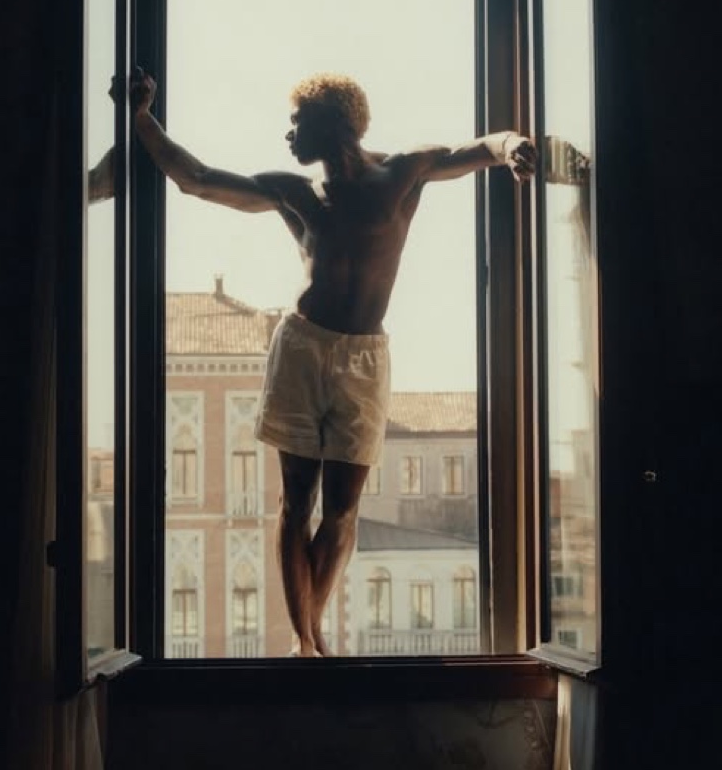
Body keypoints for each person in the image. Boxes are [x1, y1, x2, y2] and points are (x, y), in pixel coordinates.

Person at [123, 66, 535, 657]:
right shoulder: (296, 192)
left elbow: (475, 151)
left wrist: (512, 144)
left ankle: (309, 636)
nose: (288, 134)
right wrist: (142, 119)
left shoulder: (402, 172)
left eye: (297, 122)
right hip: (301, 348)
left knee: (343, 509)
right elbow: (198, 181)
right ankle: (308, 644)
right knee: (296, 503)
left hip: (365, 358)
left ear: (333, 122)